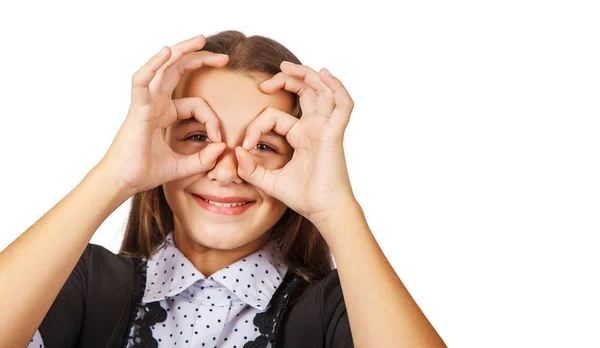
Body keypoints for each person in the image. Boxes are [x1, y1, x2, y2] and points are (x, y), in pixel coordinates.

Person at [0, 30, 447, 347]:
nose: (229, 169)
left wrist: (334, 207)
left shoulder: (335, 309)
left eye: (265, 145)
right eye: (198, 136)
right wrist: (115, 175)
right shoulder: (84, 283)